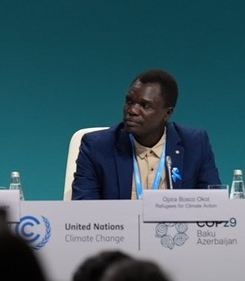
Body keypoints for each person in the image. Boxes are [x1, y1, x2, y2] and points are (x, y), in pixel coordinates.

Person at [71, 69, 220, 200]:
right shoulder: (97, 147)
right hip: (118, 231)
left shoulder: (195, 144)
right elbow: (84, 210)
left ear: (167, 113)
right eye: (129, 102)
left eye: (144, 105)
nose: (132, 110)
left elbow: (213, 205)